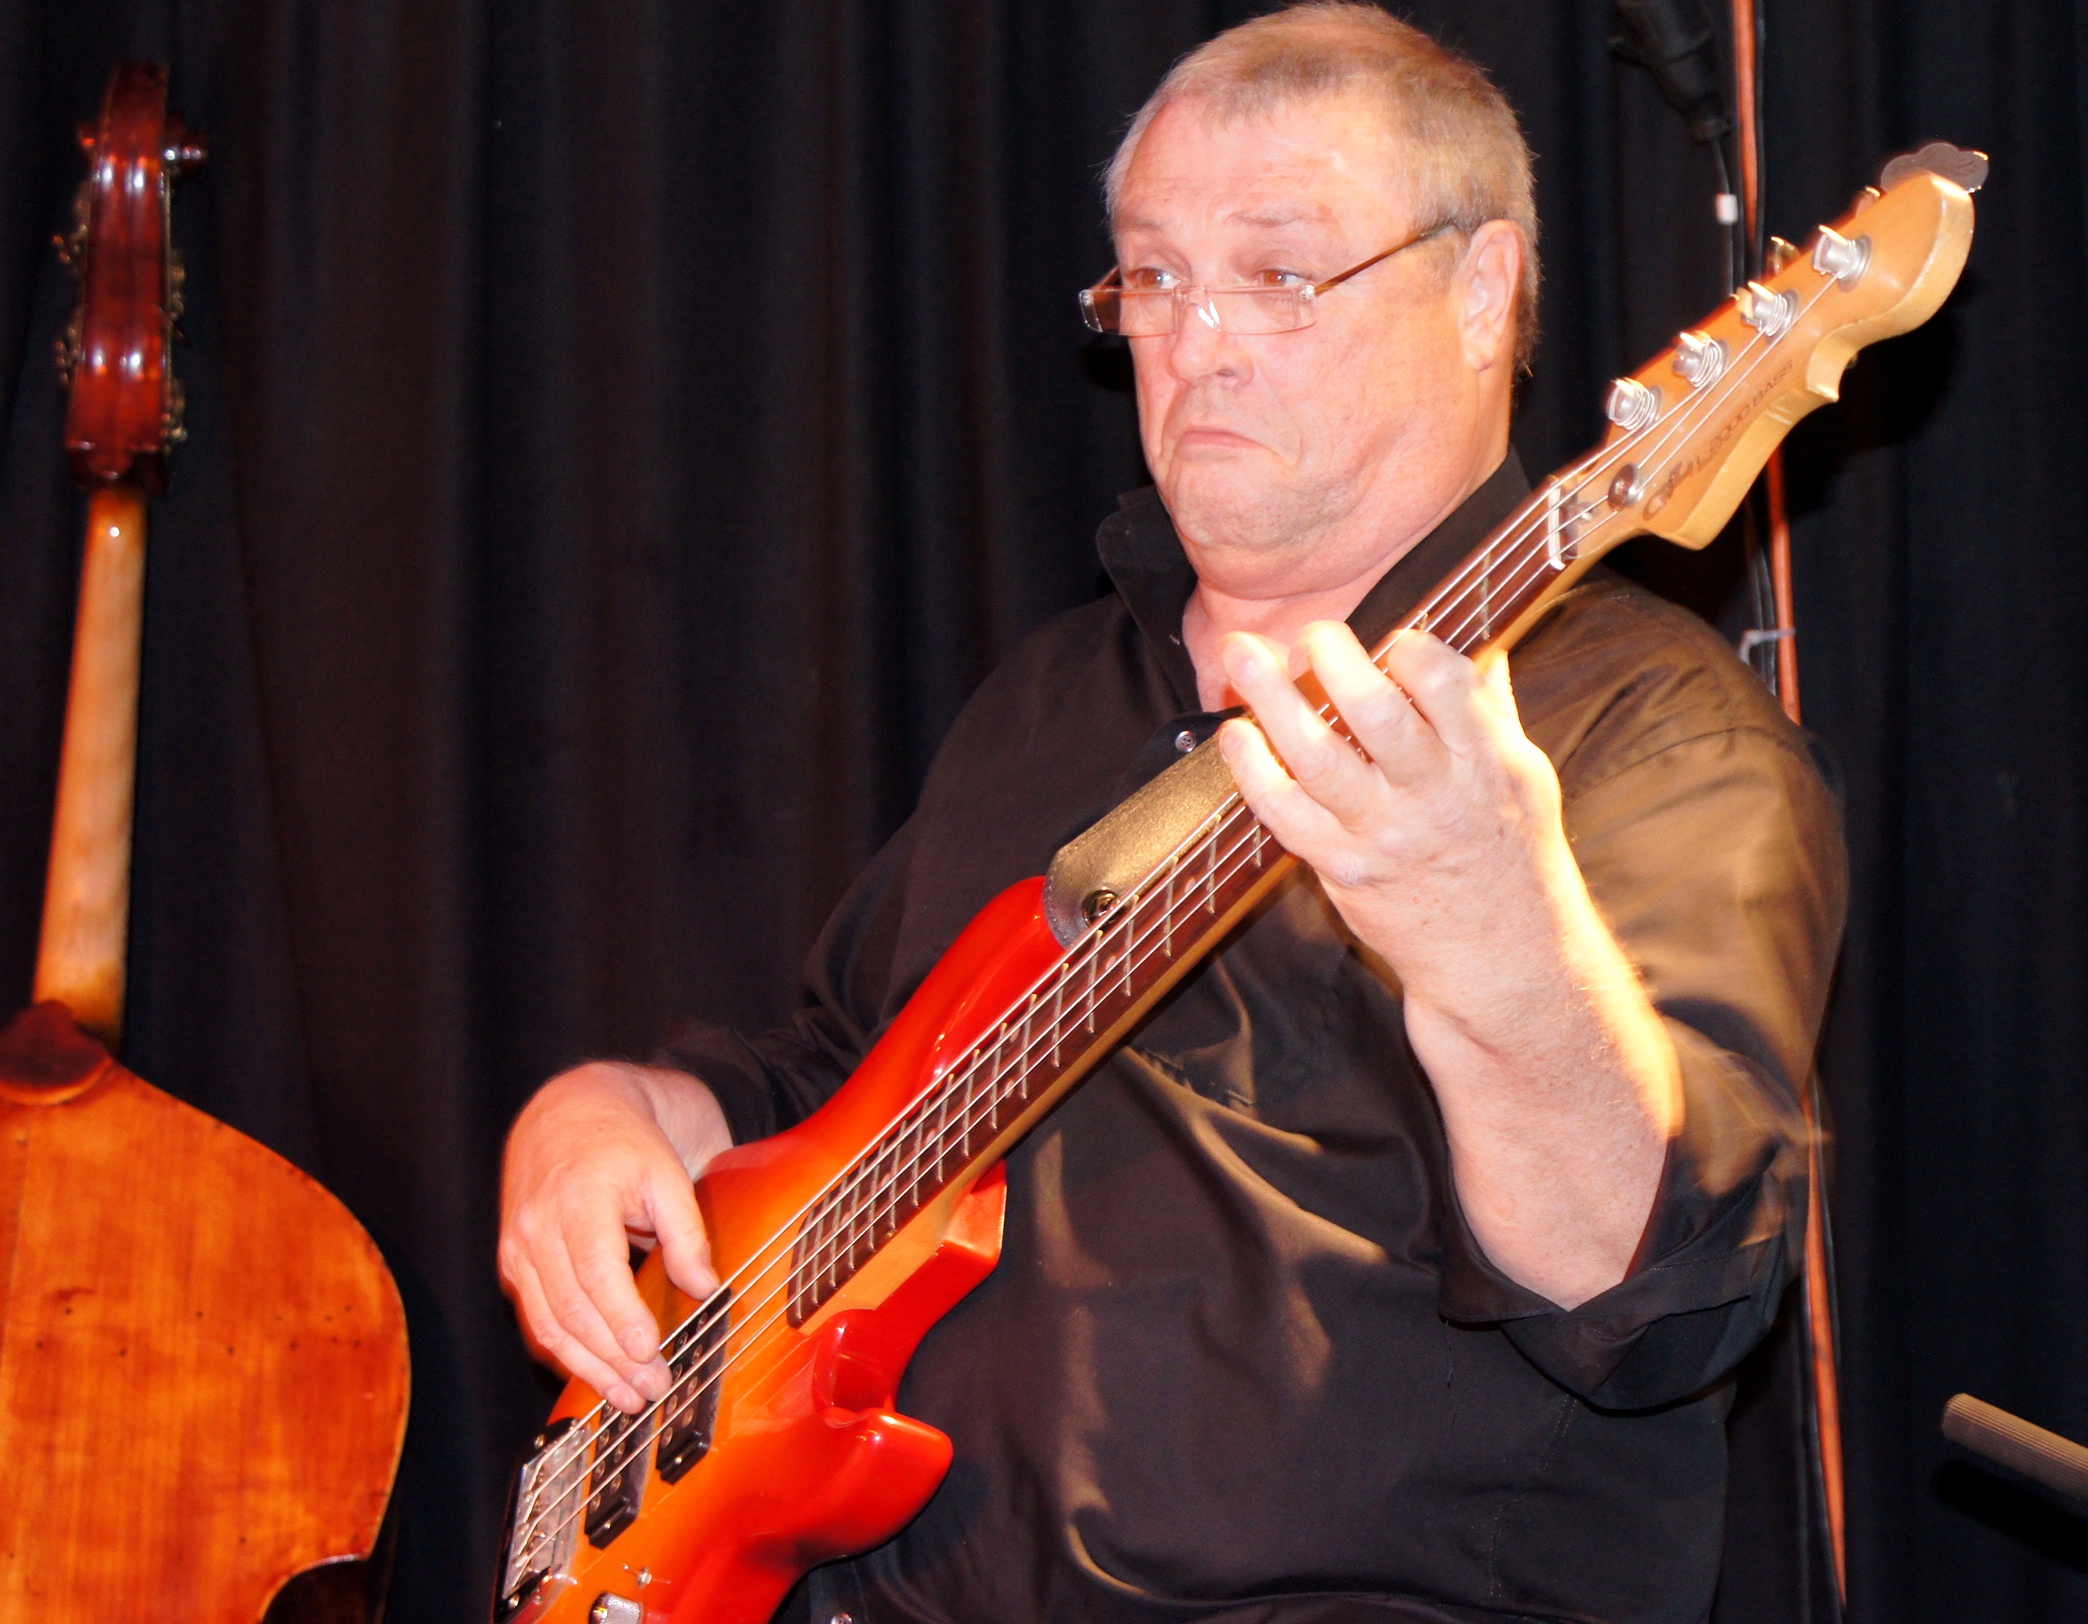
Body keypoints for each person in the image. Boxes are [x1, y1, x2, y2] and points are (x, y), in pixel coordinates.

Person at [497, 7, 1844, 1621]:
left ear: (1482, 292)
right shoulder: (1055, 696)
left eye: (1278, 274)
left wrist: (1504, 946)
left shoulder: (1647, 734)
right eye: (1153, 276)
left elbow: (1665, 1302)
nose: (1197, 341)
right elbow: (836, 1076)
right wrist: (615, 1113)